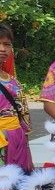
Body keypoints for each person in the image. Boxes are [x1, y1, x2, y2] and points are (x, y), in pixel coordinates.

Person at [0, 24, 32, 170]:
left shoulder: (13, 82)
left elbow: (23, 118)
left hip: (17, 141)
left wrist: (29, 155)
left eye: (7, 44)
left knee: (17, 187)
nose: (2, 49)